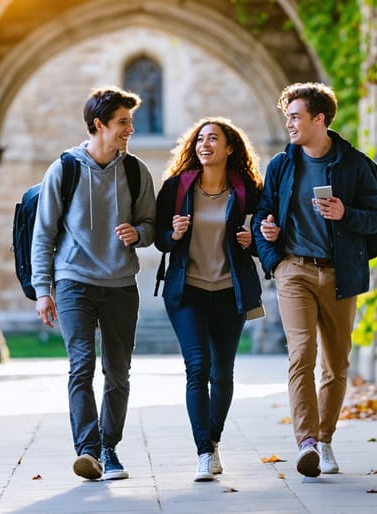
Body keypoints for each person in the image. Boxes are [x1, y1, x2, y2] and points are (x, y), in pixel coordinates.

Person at [252, 83, 377, 478]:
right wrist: (271, 244)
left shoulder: (356, 165)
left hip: (340, 272)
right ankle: (307, 442)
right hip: (293, 270)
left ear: (319, 119)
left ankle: (325, 440)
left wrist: (345, 212)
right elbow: (263, 216)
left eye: (295, 116)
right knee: (301, 354)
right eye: (287, 116)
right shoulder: (281, 165)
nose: (289, 123)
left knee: (336, 364)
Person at [32, 86, 156, 481]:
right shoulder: (64, 170)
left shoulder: (135, 171)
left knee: (118, 372)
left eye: (131, 123)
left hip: (121, 283)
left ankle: (109, 448)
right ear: (98, 124)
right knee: (81, 365)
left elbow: (151, 225)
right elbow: (43, 234)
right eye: (123, 122)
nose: (129, 129)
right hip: (74, 282)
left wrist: (138, 233)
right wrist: (42, 290)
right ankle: (87, 450)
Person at [155, 117, 264, 482]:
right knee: (197, 367)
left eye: (213, 139)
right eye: (200, 139)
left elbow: (265, 232)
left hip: (228, 291)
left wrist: (254, 243)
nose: (205, 144)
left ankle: (213, 440)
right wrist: (173, 233)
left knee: (223, 373)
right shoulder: (177, 188)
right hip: (187, 292)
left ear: (229, 147)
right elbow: (160, 238)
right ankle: (203, 452)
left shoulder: (246, 190)